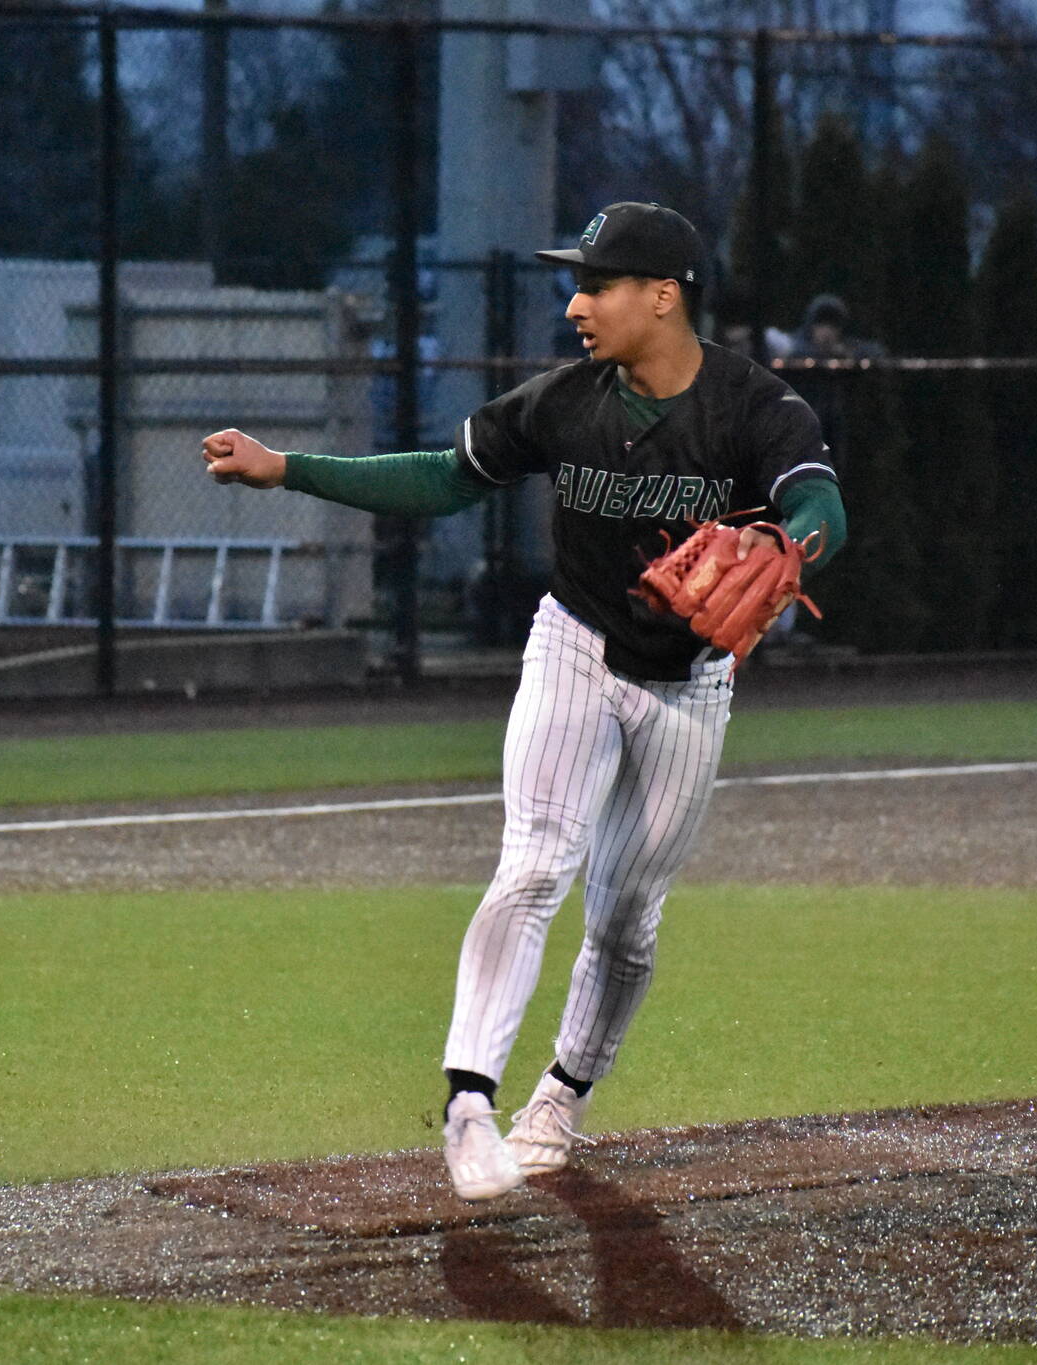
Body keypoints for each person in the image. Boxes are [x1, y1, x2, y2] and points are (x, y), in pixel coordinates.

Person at [198, 202, 848, 1201]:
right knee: (536, 860)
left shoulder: (756, 407)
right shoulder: (560, 402)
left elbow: (819, 503)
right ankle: (468, 1104)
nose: (576, 303)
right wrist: (288, 470)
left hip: (688, 684)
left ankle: (561, 1093)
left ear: (661, 296)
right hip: (575, 644)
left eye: (596, 285)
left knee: (627, 914)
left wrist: (785, 544)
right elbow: (441, 478)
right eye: (575, 283)